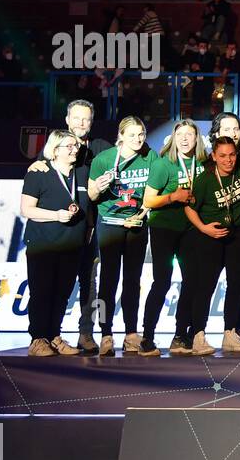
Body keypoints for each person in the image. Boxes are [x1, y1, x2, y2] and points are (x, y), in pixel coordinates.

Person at [26, 99, 112, 354]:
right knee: (47, 286)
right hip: (58, 233)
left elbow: (124, 155)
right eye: (76, 118)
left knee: (87, 284)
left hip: (92, 230)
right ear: (67, 120)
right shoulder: (51, 155)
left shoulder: (100, 148)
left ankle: (85, 333)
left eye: (86, 118)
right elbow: (37, 187)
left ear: (92, 121)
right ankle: (44, 336)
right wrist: (37, 162)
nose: (81, 123)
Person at [20, 130, 99, 356]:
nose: (75, 149)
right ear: (55, 151)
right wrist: (56, 215)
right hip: (43, 244)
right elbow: (26, 209)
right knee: (42, 291)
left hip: (71, 245)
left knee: (62, 293)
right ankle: (38, 338)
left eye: (75, 146)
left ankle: (54, 336)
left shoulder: (81, 173)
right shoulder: (39, 173)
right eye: (69, 146)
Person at [139, 120, 207, 356]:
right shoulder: (162, 164)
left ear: (197, 138)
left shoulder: (202, 163)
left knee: (192, 282)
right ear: (173, 138)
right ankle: (147, 336)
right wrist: (172, 197)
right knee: (162, 282)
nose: (185, 139)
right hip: (163, 229)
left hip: (190, 230)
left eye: (190, 134)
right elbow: (148, 201)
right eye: (181, 134)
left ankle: (181, 335)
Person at [89, 117, 154, 356]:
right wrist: (99, 186)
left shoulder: (150, 157)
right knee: (108, 279)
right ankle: (105, 333)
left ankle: (131, 333)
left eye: (141, 134)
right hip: (109, 225)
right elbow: (93, 196)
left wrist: (142, 213)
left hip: (136, 224)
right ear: (121, 135)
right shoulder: (103, 159)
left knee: (132, 281)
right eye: (132, 135)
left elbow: (156, 189)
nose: (138, 139)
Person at [184, 137, 240, 355]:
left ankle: (230, 334)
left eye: (232, 155)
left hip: (238, 234)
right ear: (213, 156)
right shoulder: (205, 180)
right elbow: (189, 208)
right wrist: (204, 228)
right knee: (205, 286)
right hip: (210, 237)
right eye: (222, 155)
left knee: (236, 285)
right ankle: (198, 336)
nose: (228, 160)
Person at [208, 113, 240, 338]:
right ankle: (193, 330)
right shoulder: (207, 160)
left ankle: (237, 327)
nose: (233, 133)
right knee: (205, 281)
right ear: (216, 134)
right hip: (214, 230)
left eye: (236, 128)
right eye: (227, 129)